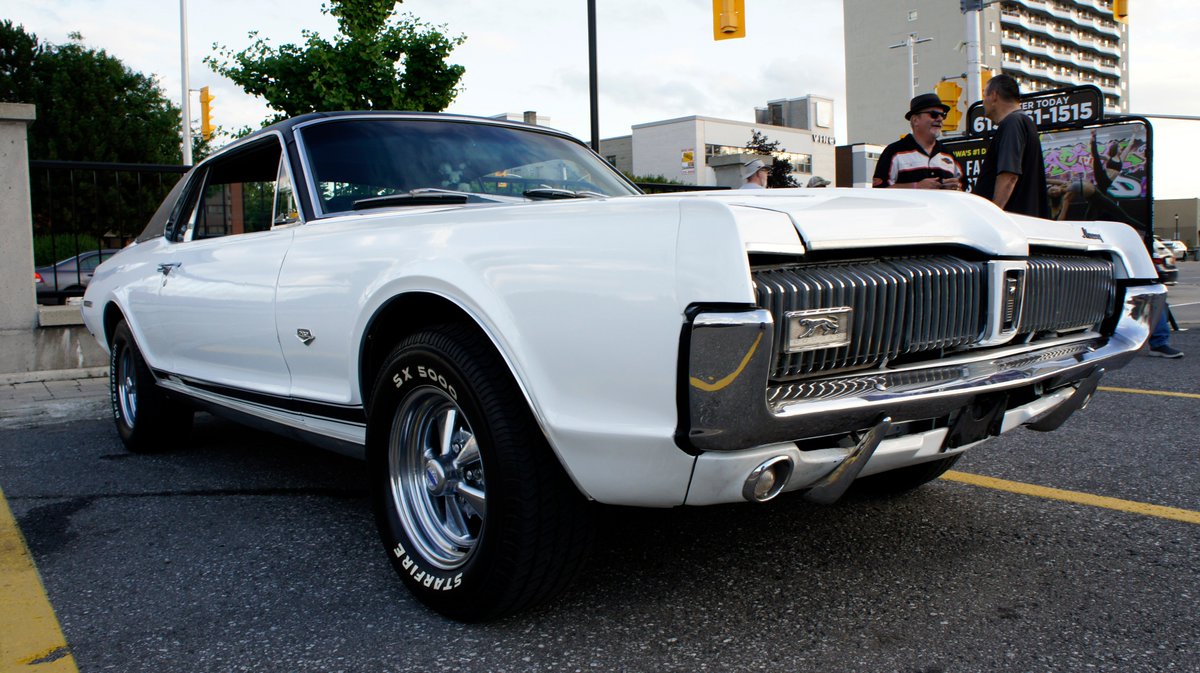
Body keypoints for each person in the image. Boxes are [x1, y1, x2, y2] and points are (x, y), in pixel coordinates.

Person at [973, 74, 1050, 218]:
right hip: (1024, 222)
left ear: (994, 96)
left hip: (1012, 223)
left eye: (985, 96)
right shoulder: (1023, 122)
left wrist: (994, 215)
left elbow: (1009, 176)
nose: (983, 103)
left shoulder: (1012, 123)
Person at [872, 92, 964, 190]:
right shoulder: (894, 152)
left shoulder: (948, 154)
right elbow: (880, 191)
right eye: (934, 114)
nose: (940, 119)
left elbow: (965, 188)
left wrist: (956, 187)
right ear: (915, 120)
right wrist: (916, 186)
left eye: (943, 115)